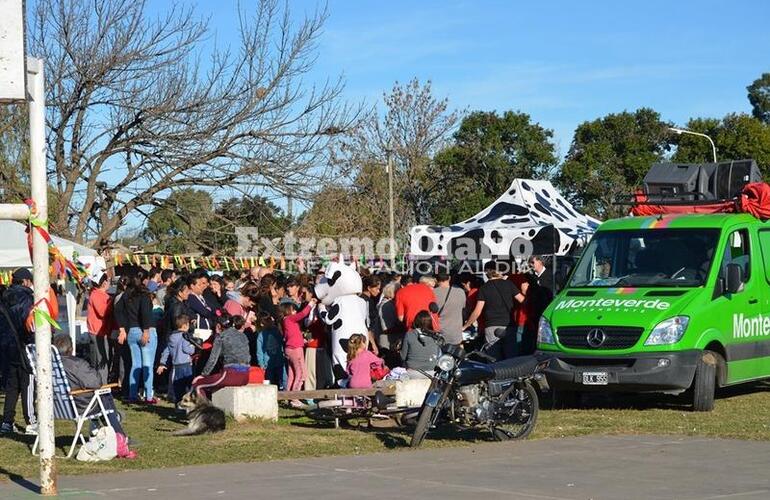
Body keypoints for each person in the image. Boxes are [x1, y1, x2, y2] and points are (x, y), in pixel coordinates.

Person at [52, 334, 136, 459]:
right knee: (104, 394)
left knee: (101, 397)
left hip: (59, 405)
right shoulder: (76, 364)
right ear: (71, 349)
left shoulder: (49, 365)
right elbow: (96, 383)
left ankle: (98, 430)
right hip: (81, 405)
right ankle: (120, 437)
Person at [463, 261, 527, 360]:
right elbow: (522, 300)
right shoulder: (508, 284)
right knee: (511, 357)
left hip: (492, 326)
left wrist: (466, 325)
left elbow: (477, 311)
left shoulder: (484, 288)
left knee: (492, 359)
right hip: (509, 325)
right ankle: (511, 375)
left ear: (486, 272)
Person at [0, 268, 36, 435]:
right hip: (23, 346)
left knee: (12, 386)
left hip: (7, 346)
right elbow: (28, 323)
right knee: (27, 382)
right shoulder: (26, 297)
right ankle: (31, 421)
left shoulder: (4, 296)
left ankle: (7, 422)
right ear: (26, 281)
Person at [114, 272, 158, 403]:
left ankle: (133, 394)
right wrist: (146, 331)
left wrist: (122, 329)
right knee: (147, 365)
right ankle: (149, 396)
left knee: (136, 364)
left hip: (131, 332)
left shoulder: (125, 295)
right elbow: (145, 313)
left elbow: (117, 310)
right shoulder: (144, 295)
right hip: (145, 330)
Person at [193, 313, 251, 399]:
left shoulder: (221, 336)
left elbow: (213, 360)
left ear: (218, 326)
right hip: (246, 376)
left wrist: (203, 375)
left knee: (198, 384)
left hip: (230, 375)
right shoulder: (243, 336)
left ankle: (204, 411)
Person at [280, 294, 315, 405]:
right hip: (296, 350)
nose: (295, 310)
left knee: (292, 374)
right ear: (288, 310)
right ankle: (295, 398)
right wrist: (311, 304)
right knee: (301, 374)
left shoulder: (285, 321)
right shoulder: (290, 319)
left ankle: (287, 396)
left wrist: (302, 340)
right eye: (293, 308)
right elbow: (303, 314)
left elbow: (290, 336)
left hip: (289, 349)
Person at [157, 314, 196, 406]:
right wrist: (193, 348)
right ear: (185, 326)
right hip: (186, 364)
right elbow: (187, 349)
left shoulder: (171, 337)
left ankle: (178, 404)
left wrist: (162, 363)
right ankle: (190, 403)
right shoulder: (185, 336)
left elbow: (166, 351)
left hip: (176, 365)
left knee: (178, 386)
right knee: (189, 385)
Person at [87, 271, 114, 384]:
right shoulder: (97, 295)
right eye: (107, 280)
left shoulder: (98, 294)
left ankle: (101, 384)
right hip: (98, 332)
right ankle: (103, 386)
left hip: (102, 332)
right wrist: (111, 303)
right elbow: (102, 312)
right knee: (102, 360)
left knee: (101, 359)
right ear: (103, 282)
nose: (109, 283)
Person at [400, 311, 442, 379]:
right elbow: (438, 355)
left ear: (416, 321)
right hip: (431, 373)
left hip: (412, 372)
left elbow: (403, 357)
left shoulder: (409, 334)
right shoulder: (435, 336)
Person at [432, 272, 466, 346]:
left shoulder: (432, 293)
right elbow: (463, 308)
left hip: (440, 334)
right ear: (449, 278)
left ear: (435, 280)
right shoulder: (460, 292)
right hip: (456, 334)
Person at [256, 312, 284, 388]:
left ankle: (283, 393)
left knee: (281, 379)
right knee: (269, 381)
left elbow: (282, 342)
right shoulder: (261, 335)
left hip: (278, 360)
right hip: (268, 363)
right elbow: (259, 351)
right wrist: (261, 364)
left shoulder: (277, 331)